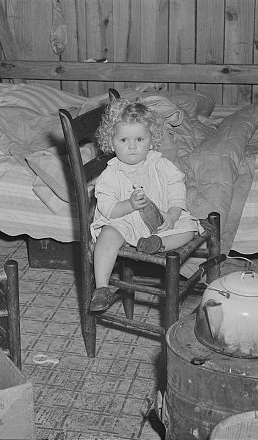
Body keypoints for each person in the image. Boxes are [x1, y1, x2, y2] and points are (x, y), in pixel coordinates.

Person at [89, 98, 202, 313]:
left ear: (151, 139)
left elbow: (177, 192)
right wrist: (129, 205)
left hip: (161, 223)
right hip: (124, 222)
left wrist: (172, 214)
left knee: (189, 229)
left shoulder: (161, 165)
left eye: (140, 139)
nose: (132, 146)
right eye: (123, 140)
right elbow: (108, 209)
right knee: (107, 235)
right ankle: (102, 287)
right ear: (111, 143)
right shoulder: (110, 174)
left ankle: (158, 244)